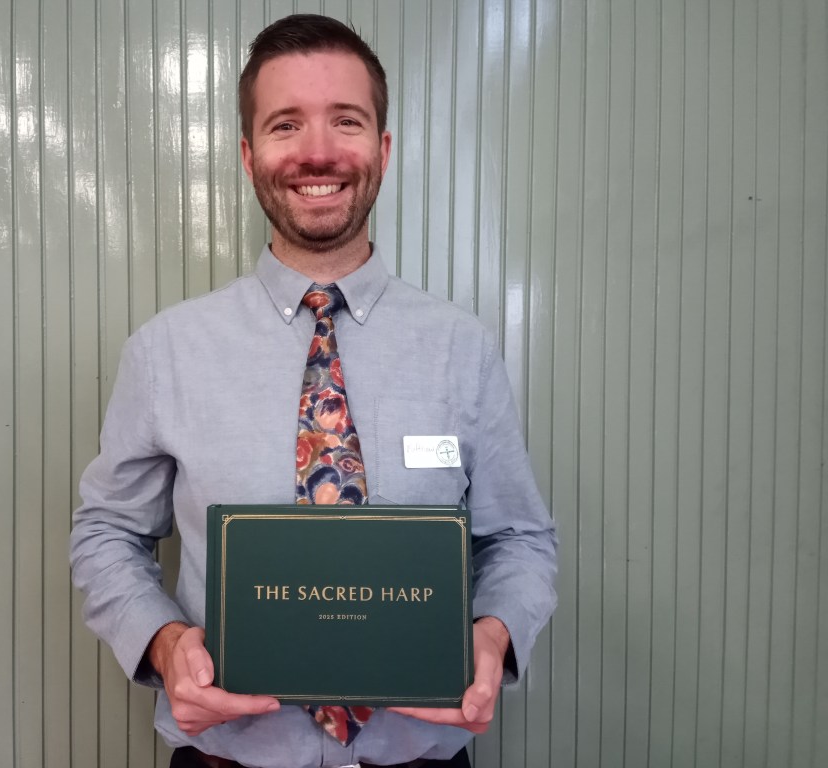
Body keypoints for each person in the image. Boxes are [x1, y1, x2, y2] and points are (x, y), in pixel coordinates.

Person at [70, 13, 557, 768]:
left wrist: (492, 635)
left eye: (347, 122)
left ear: (384, 150)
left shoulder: (463, 349)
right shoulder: (166, 351)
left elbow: (519, 539)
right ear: (248, 153)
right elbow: (106, 533)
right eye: (286, 124)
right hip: (226, 757)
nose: (318, 152)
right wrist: (164, 647)